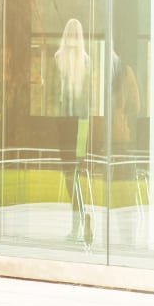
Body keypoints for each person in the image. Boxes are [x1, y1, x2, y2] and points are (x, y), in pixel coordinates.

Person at [55, 18, 90, 241]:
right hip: (77, 122)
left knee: (71, 175)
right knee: (72, 174)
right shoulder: (82, 59)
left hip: (69, 122)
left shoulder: (62, 58)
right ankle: (80, 218)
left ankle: (78, 220)